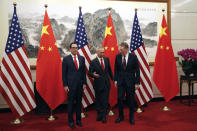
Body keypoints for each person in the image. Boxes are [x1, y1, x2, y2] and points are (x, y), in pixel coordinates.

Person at [114, 42, 140, 125]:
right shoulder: (118, 56)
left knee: (131, 100)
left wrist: (137, 83)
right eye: (119, 49)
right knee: (119, 99)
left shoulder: (133, 57)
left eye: (121, 49)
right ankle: (121, 116)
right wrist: (115, 80)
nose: (120, 51)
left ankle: (131, 117)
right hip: (120, 82)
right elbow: (116, 69)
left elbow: (137, 71)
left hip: (130, 82)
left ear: (126, 49)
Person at [62, 43, 86, 128]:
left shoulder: (82, 58)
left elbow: (83, 72)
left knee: (79, 104)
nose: (75, 49)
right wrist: (65, 85)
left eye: (76, 48)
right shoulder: (66, 59)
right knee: (71, 104)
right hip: (70, 86)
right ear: (70, 49)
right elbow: (64, 74)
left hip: (80, 85)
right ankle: (71, 121)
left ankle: (78, 120)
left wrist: (84, 83)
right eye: (73, 48)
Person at [88, 47, 113, 123]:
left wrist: (114, 80)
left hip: (106, 84)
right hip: (98, 84)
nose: (103, 54)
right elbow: (89, 73)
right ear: (97, 53)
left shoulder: (106, 59)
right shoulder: (93, 62)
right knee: (98, 100)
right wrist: (93, 75)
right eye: (101, 52)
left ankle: (104, 116)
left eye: (103, 52)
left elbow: (109, 71)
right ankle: (99, 114)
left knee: (105, 101)